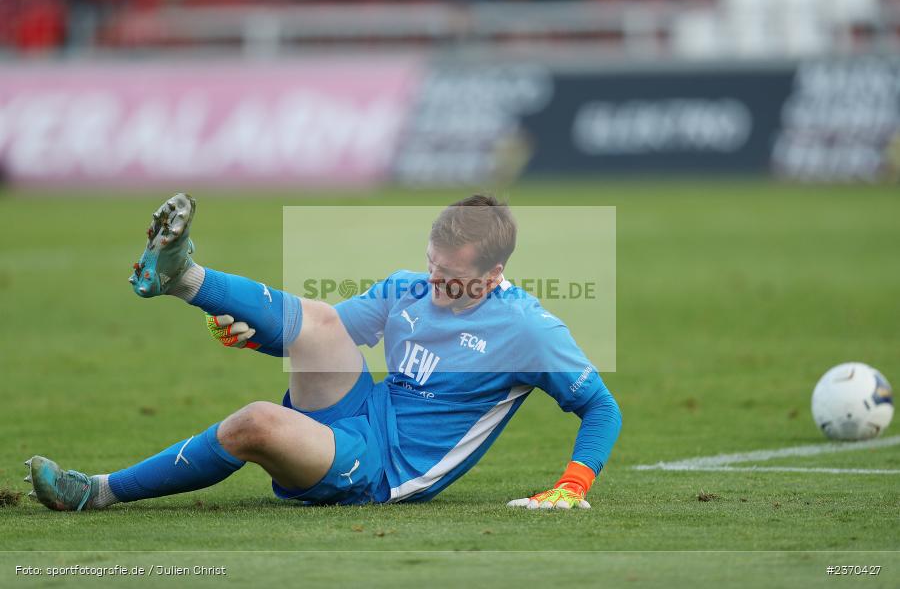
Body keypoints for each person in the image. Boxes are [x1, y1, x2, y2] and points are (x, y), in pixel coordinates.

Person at [25, 193, 621, 511]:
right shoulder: (408, 285)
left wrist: (573, 483)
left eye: (450, 278)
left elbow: (602, 407)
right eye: (432, 265)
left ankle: (96, 491)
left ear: (493, 276)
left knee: (256, 421)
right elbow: (320, 333)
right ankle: (184, 278)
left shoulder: (528, 330)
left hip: (386, 473)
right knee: (325, 318)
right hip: (359, 413)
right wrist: (254, 336)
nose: (433, 283)